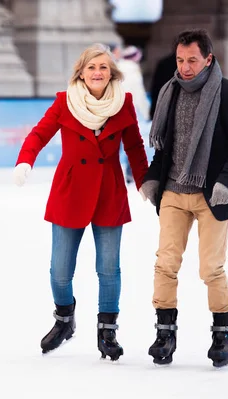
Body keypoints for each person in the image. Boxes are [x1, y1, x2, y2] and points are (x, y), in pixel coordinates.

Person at [13, 43, 149, 361]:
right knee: (60, 272)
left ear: (112, 72)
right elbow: (38, 135)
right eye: (91, 67)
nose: (97, 73)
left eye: (103, 67)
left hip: (109, 192)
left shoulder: (123, 103)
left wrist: (145, 182)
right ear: (81, 72)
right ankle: (64, 320)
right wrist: (25, 161)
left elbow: (135, 147)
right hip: (70, 191)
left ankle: (107, 332)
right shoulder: (65, 102)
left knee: (109, 269)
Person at [139, 29, 228, 368]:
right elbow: (165, 145)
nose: (185, 67)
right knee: (166, 263)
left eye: (192, 60)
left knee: (210, 268)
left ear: (208, 58)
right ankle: (165, 333)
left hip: (212, 193)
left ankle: (223, 333)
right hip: (174, 190)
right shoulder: (169, 92)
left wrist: (227, 181)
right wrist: (152, 176)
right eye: (180, 60)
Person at [117, 45, 151, 183]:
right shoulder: (133, 71)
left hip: (112, 110)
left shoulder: (115, 67)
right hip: (127, 112)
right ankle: (131, 173)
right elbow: (139, 94)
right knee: (130, 143)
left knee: (113, 143)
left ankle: (106, 172)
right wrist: (147, 112)